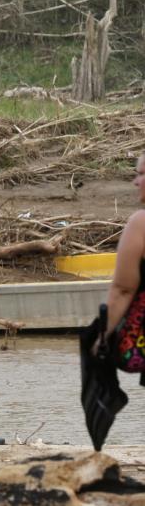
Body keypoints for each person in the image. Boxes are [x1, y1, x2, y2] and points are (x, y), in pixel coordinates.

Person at [107, 154, 145, 361]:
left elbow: (122, 290)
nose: (135, 181)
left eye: (141, 174)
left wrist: (102, 337)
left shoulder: (140, 224)